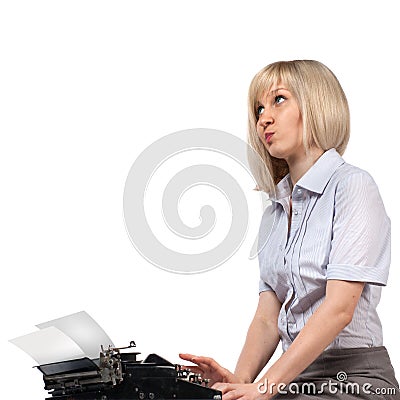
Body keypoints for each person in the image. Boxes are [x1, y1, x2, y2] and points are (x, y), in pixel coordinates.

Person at [180, 60, 399, 399]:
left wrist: (266, 386)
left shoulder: (353, 186)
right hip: (296, 379)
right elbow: (268, 319)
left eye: (278, 100)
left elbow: (340, 308)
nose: (263, 118)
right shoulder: (275, 214)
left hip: (354, 378)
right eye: (259, 108)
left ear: (316, 104)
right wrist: (238, 384)